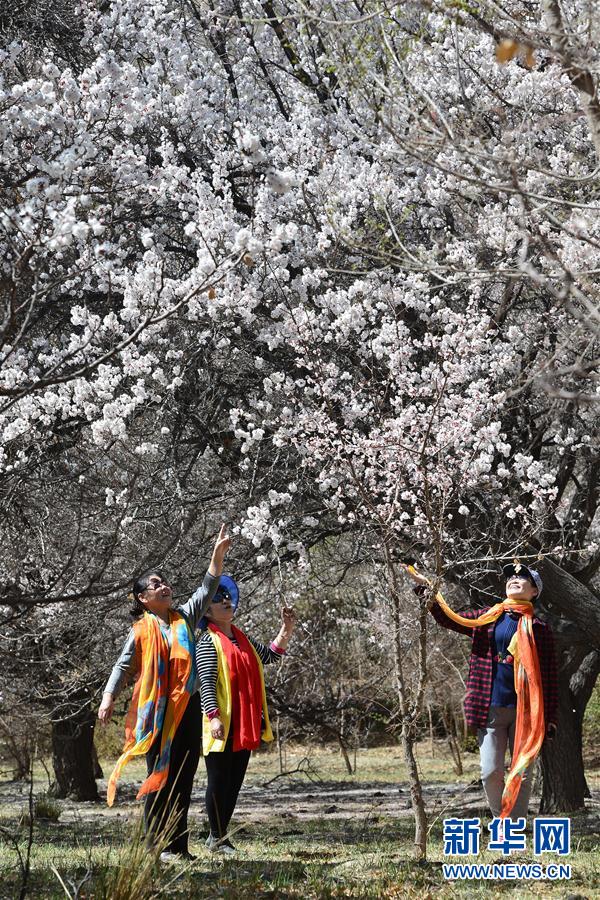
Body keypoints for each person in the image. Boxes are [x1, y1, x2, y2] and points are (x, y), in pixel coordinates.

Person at [98, 525, 231, 862]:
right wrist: (108, 697)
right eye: (154, 585)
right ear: (143, 598)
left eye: (164, 582)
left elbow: (207, 587)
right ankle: (154, 847)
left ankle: (178, 846)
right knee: (160, 777)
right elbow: (121, 665)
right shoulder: (142, 630)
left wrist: (217, 556)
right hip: (158, 715)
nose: (163, 586)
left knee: (184, 778)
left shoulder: (184, 617)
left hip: (188, 709)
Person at [404, 560, 557, 821]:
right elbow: (447, 618)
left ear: (535, 592)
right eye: (510, 578)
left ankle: (513, 829)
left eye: (522, 578)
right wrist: (425, 588)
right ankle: (501, 818)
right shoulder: (487, 618)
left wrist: (550, 718)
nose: (514, 580)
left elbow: (550, 677)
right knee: (490, 771)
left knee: (520, 773)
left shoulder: (540, 630)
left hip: (525, 713)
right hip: (488, 708)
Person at [195, 575, 297, 853]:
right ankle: (216, 836)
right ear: (207, 611)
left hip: (245, 722)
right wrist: (213, 715)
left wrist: (286, 629)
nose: (226, 602)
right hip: (222, 723)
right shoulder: (207, 642)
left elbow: (270, 655)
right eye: (218, 599)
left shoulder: (242, 638)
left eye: (227, 597)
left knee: (234, 782)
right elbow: (206, 682)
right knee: (219, 780)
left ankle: (219, 835)